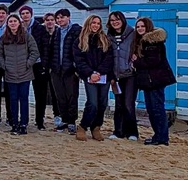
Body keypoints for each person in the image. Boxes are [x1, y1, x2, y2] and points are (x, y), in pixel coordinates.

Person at [132, 17, 175, 146]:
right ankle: (159, 135)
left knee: (157, 109)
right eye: (138, 26)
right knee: (152, 109)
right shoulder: (143, 41)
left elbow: (153, 61)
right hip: (149, 81)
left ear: (148, 27)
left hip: (155, 80)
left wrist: (136, 61)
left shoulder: (152, 42)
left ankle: (162, 137)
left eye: (142, 26)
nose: (140, 29)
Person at [73, 15, 114, 141]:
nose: (96, 25)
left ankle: (96, 127)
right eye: (93, 23)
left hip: (104, 76)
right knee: (93, 103)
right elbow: (79, 60)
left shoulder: (105, 40)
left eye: (98, 23)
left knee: (102, 104)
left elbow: (109, 58)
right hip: (89, 76)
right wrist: (91, 73)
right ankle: (83, 126)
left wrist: (100, 72)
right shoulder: (80, 41)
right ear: (88, 24)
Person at [0, 14, 39, 135]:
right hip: (10, 73)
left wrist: (28, 63)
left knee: (24, 99)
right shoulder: (4, 38)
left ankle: (24, 124)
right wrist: (4, 65)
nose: (13, 23)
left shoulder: (27, 36)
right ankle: (14, 123)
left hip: (24, 73)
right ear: (8, 23)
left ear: (19, 23)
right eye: (10, 21)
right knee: (13, 99)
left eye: (15, 21)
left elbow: (35, 52)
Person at [49, 8, 82, 135]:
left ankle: (72, 121)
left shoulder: (76, 30)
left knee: (72, 96)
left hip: (70, 70)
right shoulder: (57, 32)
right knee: (60, 96)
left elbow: (79, 50)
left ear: (68, 17)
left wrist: (75, 66)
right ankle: (64, 119)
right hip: (57, 69)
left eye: (62, 17)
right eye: (58, 18)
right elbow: (52, 50)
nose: (59, 20)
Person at [107, 11, 138, 141]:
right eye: (112, 20)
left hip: (130, 75)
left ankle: (132, 132)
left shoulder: (132, 34)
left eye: (117, 19)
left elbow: (139, 49)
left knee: (128, 104)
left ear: (123, 20)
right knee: (118, 104)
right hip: (115, 76)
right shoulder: (109, 36)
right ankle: (118, 131)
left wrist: (134, 61)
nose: (115, 22)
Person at [42, 12, 62, 129]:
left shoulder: (58, 33)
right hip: (44, 66)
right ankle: (42, 116)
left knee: (55, 93)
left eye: (52, 19)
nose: (50, 22)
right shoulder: (42, 33)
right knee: (43, 93)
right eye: (47, 20)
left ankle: (57, 115)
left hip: (55, 67)